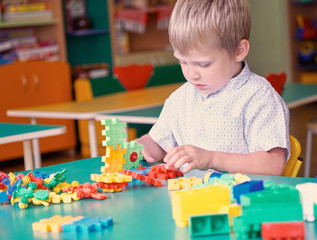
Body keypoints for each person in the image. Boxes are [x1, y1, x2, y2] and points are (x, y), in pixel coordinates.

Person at [136, 0, 290, 175]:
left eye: (204, 64)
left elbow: (273, 165)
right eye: (183, 61)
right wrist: (141, 146)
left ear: (239, 50)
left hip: (240, 199)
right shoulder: (180, 99)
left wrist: (211, 158)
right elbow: (158, 143)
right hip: (190, 198)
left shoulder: (258, 97)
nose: (192, 74)